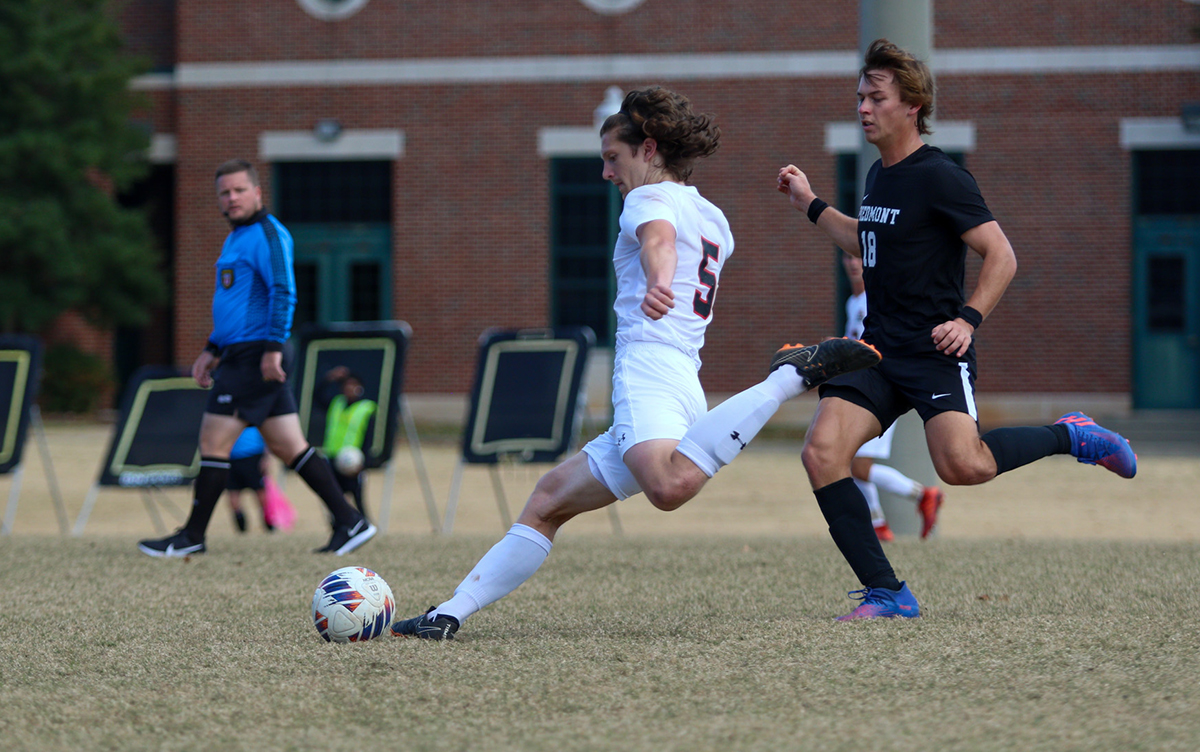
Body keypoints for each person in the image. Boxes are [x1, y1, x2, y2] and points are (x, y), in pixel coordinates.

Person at [390, 86, 880, 639]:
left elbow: (659, 242)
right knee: (549, 500)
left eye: (612, 158)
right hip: (679, 378)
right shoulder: (715, 216)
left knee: (668, 488)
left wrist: (660, 281)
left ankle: (789, 376)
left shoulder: (648, 199)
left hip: (648, 370)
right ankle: (448, 614)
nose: (606, 173)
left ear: (649, 150)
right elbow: (670, 240)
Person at [776, 39, 1137, 620]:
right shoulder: (877, 175)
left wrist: (968, 320)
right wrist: (811, 203)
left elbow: (1002, 256)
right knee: (822, 453)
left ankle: (1072, 435)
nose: (863, 107)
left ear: (911, 106)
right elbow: (866, 241)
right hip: (875, 350)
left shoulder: (943, 177)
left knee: (963, 466)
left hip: (933, 352)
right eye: (860, 97)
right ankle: (888, 592)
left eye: (876, 97)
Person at [138, 159, 375, 558]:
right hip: (237, 353)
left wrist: (271, 349)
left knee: (213, 440)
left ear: (257, 192)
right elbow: (233, 304)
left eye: (238, 190)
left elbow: (284, 292)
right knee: (289, 446)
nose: (231, 198)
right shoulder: (235, 238)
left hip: (256, 355)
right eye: (224, 193)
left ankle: (192, 535)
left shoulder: (269, 234)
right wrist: (212, 349)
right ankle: (351, 522)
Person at [840, 251, 944, 542]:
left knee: (858, 466)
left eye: (858, 257)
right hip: (864, 389)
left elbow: (871, 347)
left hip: (881, 390)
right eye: (847, 257)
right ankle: (879, 525)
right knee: (853, 464)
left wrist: (837, 348)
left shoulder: (875, 300)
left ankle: (922, 495)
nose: (852, 263)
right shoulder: (853, 302)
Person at [318, 366, 377, 519]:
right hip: (332, 457)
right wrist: (328, 378)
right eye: (346, 385)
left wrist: (365, 461)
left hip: (352, 461)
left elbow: (369, 437)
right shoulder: (336, 403)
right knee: (334, 498)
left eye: (353, 385)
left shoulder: (366, 408)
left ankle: (364, 524)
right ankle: (338, 526)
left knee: (357, 497)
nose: (350, 388)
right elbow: (317, 396)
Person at [224, 426, 273, 533]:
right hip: (232, 459)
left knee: (260, 494)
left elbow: (267, 435)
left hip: (254, 457)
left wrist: (266, 458)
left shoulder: (255, 418)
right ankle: (242, 529)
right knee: (233, 497)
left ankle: (269, 525)